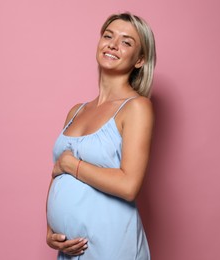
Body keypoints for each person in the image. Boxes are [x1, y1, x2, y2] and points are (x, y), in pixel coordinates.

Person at [46, 12, 156, 259]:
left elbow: (129, 186)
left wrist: (71, 164)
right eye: (108, 36)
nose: (113, 45)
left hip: (111, 245)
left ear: (139, 60)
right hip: (71, 250)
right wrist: (51, 230)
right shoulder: (77, 111)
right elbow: (56, 173)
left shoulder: (136, 107)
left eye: (126, 42)